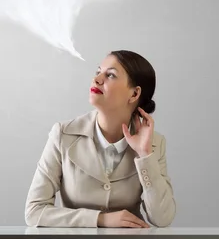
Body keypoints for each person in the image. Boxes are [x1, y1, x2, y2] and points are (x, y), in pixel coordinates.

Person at [24, 50, 176, 228]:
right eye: (98, 72)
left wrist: (144, 155)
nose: (97, 79)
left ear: (134, 94)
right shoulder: (63, 134)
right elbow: (34, 211)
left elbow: (163, 218)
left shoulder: (154, 144)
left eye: (110, 75)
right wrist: (100, 219)